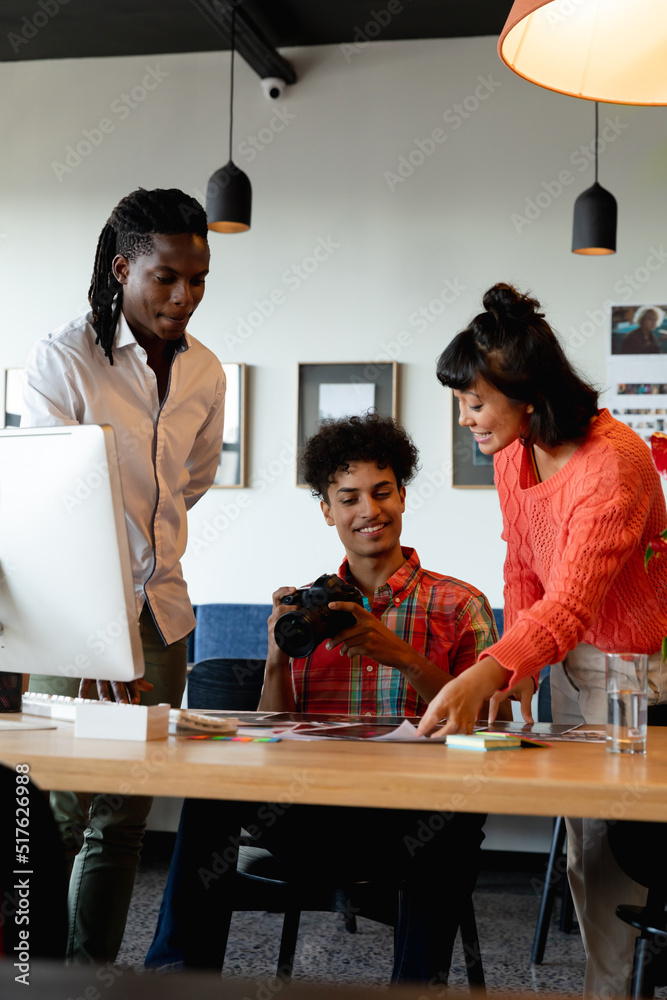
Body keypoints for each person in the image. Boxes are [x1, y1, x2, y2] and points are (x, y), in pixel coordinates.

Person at [145, 412, 498, 985]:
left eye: (382, 492)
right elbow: (270, 732)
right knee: (209, 795)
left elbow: (488, 723)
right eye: (349, 497)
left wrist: (402, 655)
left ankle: (415, 989)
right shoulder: (312, 610)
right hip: (311, 812)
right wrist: (278, 658)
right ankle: (175, 979)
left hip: (411, 823)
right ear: (327, 509)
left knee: (455, 821)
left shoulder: (461, 605)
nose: (368, 511)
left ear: (403, 496)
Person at [418, 282, 667, 998]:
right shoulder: (513, 452)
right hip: (563, 657)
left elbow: (571, 600)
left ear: (525, 395)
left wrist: (486, 672)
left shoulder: (611, 464)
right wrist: (521, 671)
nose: (464, 419)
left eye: (472, 403)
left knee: (611, 851)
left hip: (630, 666)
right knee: (584, 853)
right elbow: (522, 565)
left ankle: (610, 990)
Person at [21, 187, 226, 964]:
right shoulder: (65, 359)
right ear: (122, 267)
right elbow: (49, 506)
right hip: (76, 622)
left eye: (198, 278)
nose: (184, 296)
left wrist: (135, 622)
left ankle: (94, 979)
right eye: (166, 277)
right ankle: (36, 980)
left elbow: (190, 484)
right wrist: (100, 638)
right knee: (60, 815)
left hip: (162, 619)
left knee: (123, 818)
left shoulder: (206, 371)